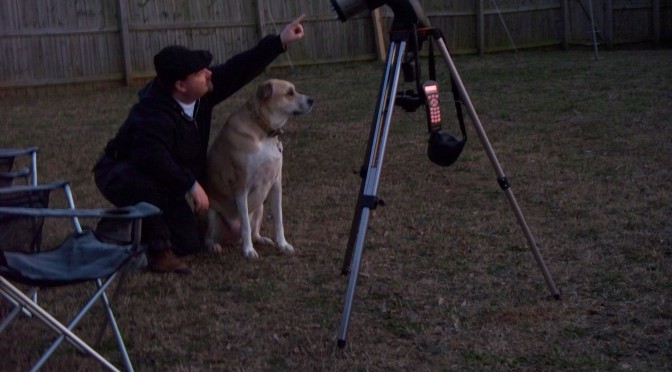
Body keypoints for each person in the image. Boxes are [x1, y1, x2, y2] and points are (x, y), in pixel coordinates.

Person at [93, 15, 306, 274]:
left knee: (189, 241)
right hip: (123, 172)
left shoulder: (202, 93)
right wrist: (191, 184)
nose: (208, 73)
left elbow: (240, 68)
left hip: (166, 175)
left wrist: (279, 42)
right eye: (199, 72)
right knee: (151, 190)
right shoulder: (152, 114)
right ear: (181, 85)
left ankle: (129, 228)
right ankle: (153, 249)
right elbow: (153, 159)